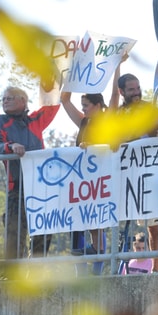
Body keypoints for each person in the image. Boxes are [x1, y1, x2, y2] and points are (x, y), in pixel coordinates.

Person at [0, 86, 60, 260]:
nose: (5, 101)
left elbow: (52, 104)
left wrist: (49, 77)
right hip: (17, 187)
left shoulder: (35, 120)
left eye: (10, 98)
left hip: (41, 186)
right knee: (14, 232)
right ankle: (12, 275)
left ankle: (36, 273)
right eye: (3, 99)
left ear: (23, 101)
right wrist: (11, 146)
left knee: (43, 231)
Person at [115, 68, 158, 271]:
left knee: (154, 225)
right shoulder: (117, 115)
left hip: (150, 173)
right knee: (123, 221)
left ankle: (156, 269)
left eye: (138, 88)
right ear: (122, 92)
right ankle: (117, 264)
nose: (136, 92)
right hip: (126, 176)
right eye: (131, 89)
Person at [60, 90, 107, 259]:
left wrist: (93, 145)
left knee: (96, 211)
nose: (84, 109)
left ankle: (99, 248)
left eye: (86, 106)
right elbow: (65, 101)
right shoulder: (84, 122)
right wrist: (70, 80)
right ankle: (95, 247)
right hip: (85, 176)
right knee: (88, 211)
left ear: (98, 106)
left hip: (102, 176)